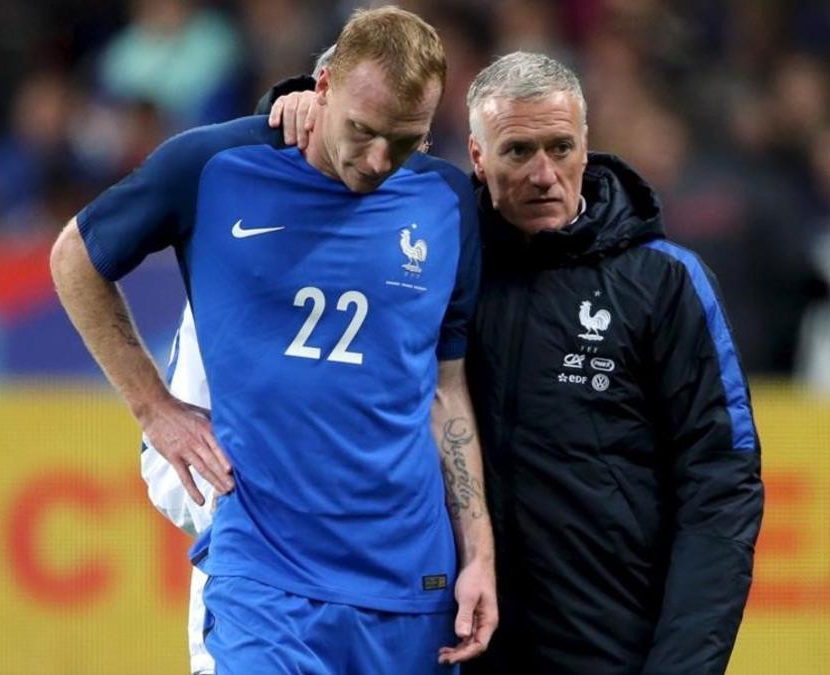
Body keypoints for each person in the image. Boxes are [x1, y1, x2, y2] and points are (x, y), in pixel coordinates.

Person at [267, 51, 764, 673]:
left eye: (560, 148)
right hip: (446, 645)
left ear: (587, 145)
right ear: (476, 158)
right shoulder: (429, 261)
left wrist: (684, 664)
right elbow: (344, 177)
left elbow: (721, 486)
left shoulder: (665, 283)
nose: (544, 174)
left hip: (612, 650)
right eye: (517, 152)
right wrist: (293, 104)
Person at [49, 7, 497, 674]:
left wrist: (479, 550)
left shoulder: (447, 202)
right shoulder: (216, 165)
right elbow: (74, 257)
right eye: (363, 131)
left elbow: (446, 387)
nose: (378, 161)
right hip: (266, 574)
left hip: (410, 581)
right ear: (320, 88)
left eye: (405, 141)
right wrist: (154, 407)